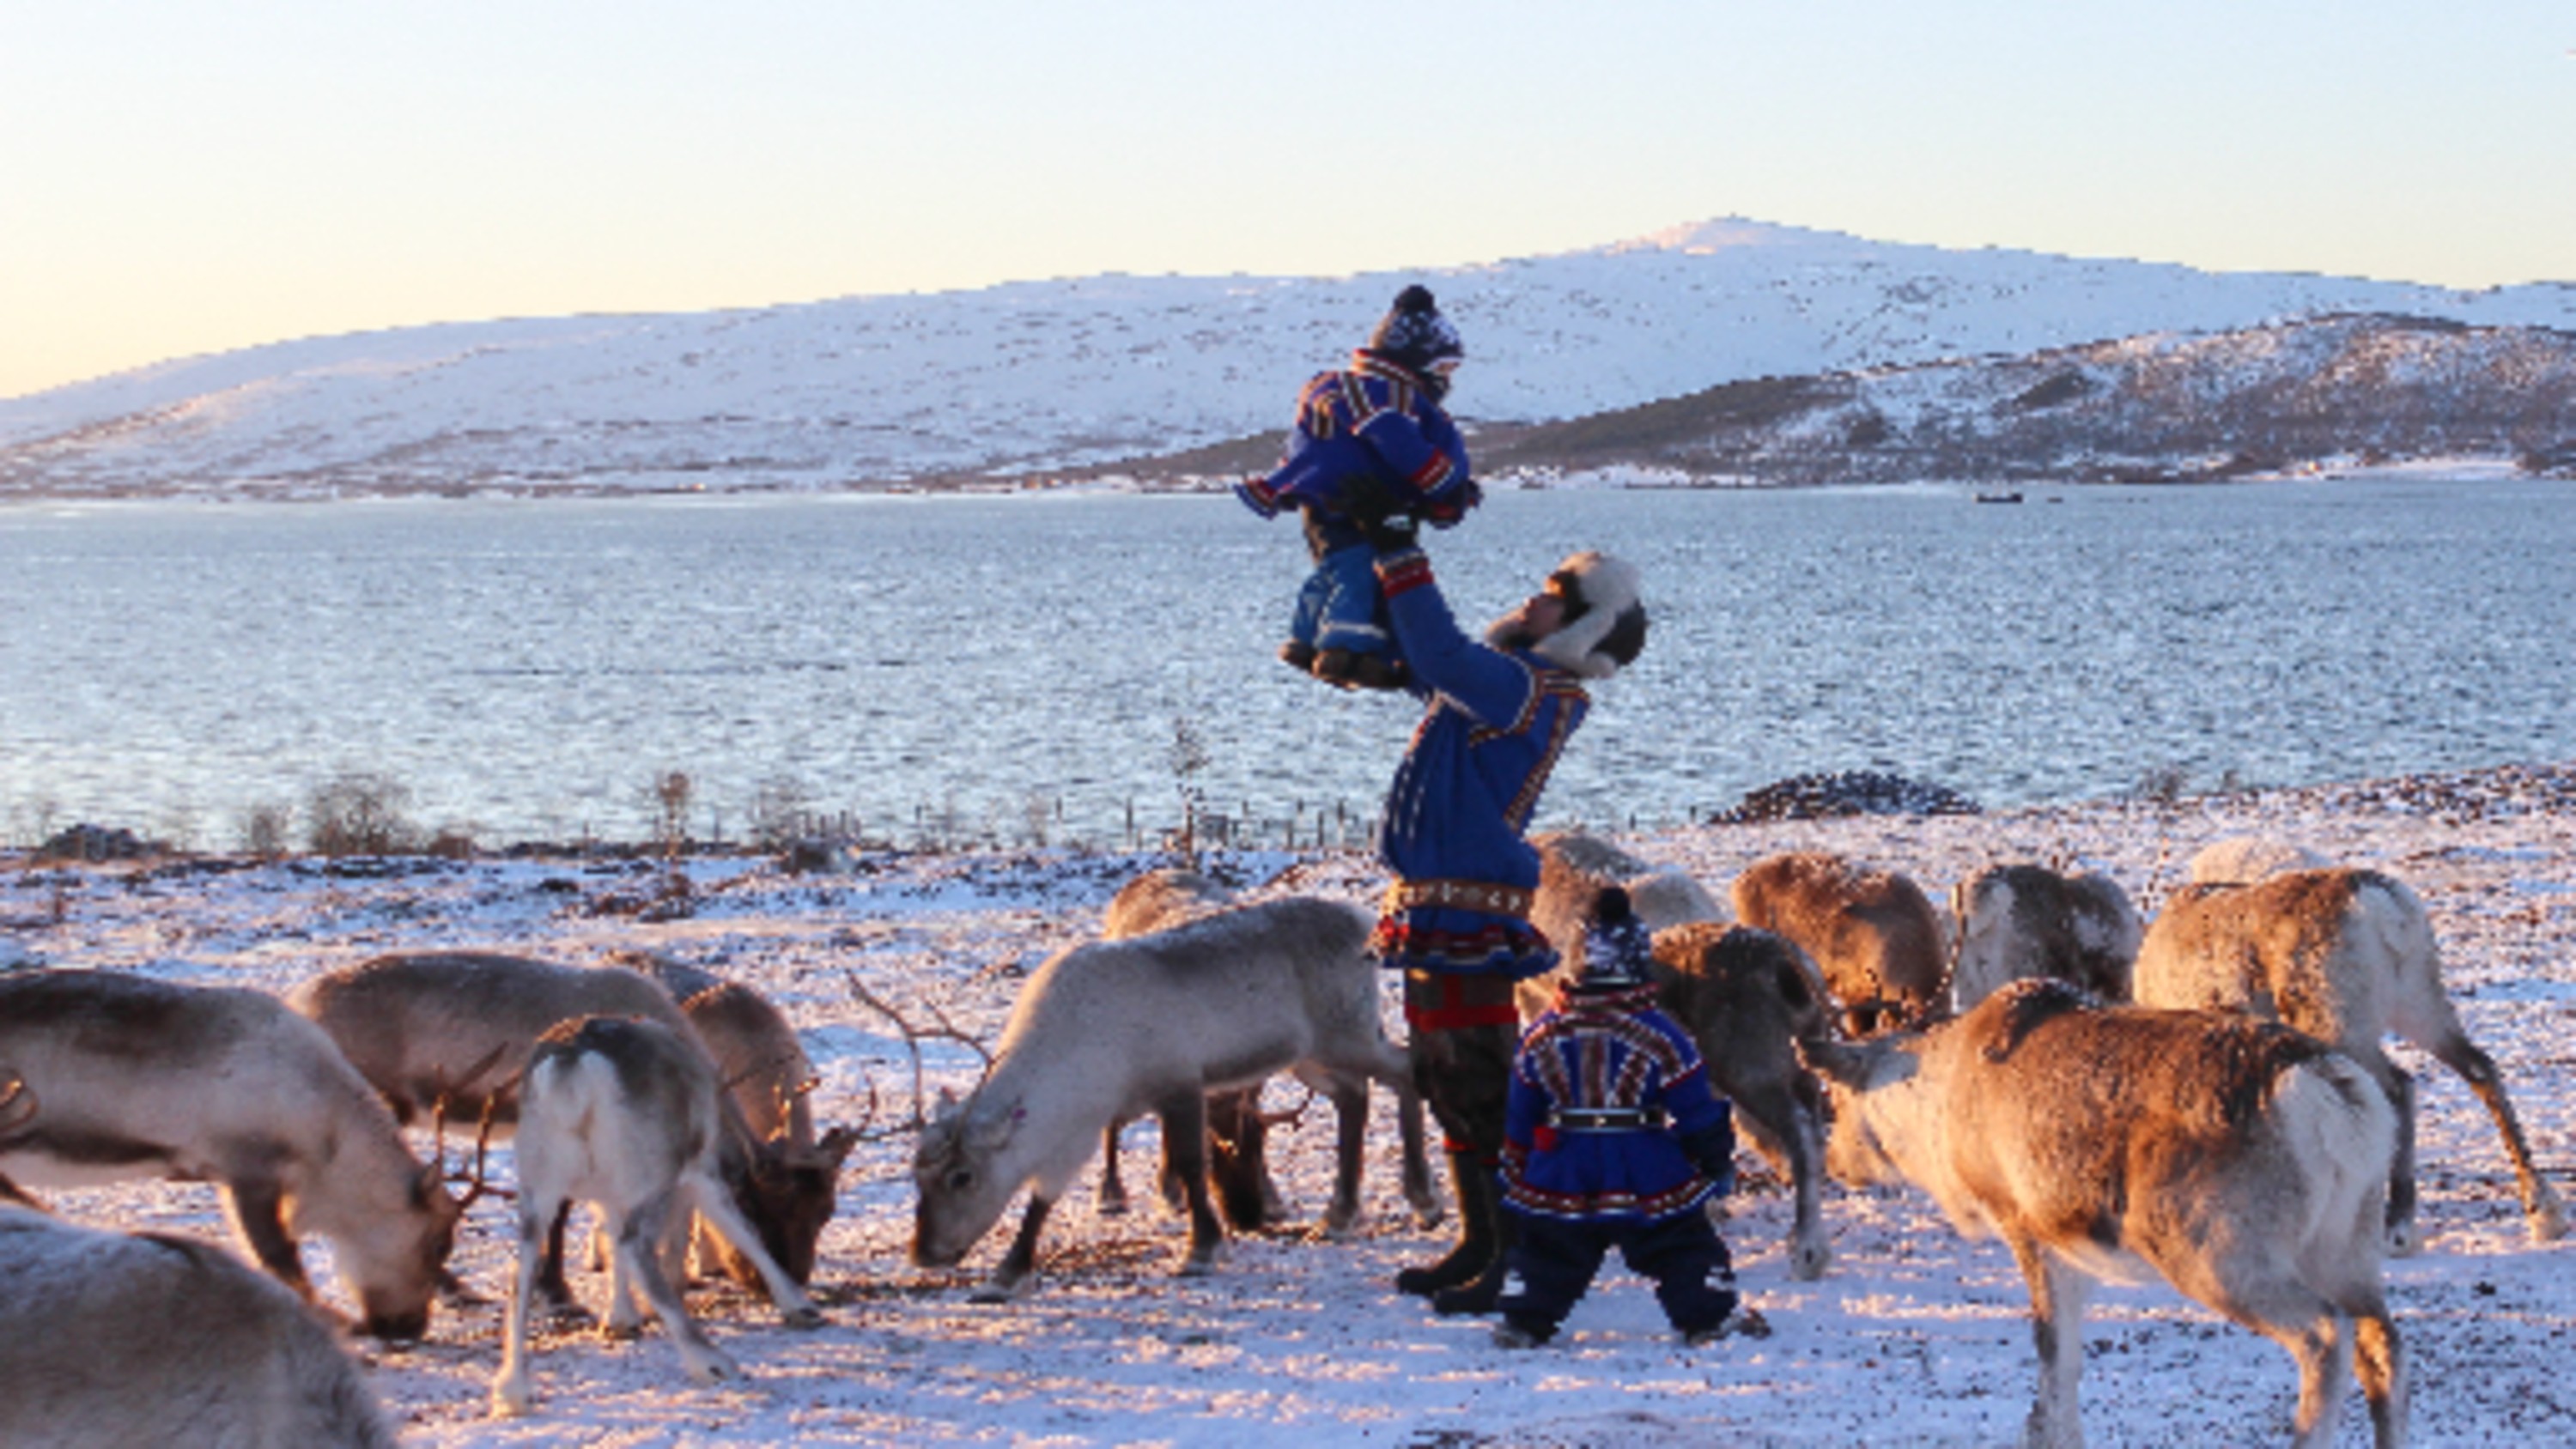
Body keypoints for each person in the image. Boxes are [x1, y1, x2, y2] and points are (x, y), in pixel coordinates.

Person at [1348, 500, 1649, 1315]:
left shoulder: (1527, 687)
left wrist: (1401, 556)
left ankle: (1515, 1248)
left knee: (1481, 1073)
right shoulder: (1513, 681)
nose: (1534, 600)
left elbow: (1440, 652)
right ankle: (1481, 1239)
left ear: (1583, 626)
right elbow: (1429, 662)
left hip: (1470, 905)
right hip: (1438, 899)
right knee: (1445, 1073)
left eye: (1554, 596)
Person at [1490, 887, 1767, 1349]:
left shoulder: (1542, 1035)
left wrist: (1517, 1160)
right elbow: (1696, 1108)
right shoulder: (1660, 1035)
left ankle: (1525, 1317)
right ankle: (1706, 1315)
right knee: (1680, 1245)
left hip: (1562, 1168)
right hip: (1646, 1165)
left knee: (1550, 1249)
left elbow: (1521, 1108)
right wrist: (1713, 1160)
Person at [1234, 285, 1479, 690]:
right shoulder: (1380, 399)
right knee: (1361, 572)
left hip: (1336, 501)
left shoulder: (1337, 389)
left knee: (1337, 569)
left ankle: (1324, 642)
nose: (1447, 380)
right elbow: (1395, 437)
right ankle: (1343, 647)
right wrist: (1442, 483)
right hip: (1360, 502)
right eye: (1445, 368)